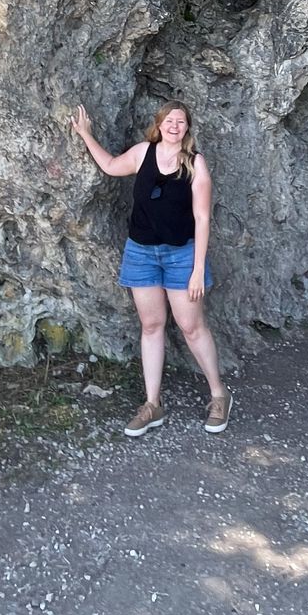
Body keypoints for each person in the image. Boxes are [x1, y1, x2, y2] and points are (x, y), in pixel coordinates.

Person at [70, 99, 231, 437]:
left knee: (191, 327)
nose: (175, 125)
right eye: (169, 120)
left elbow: (202, 218)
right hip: (141, 252)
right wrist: (86, 134)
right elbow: (112, 165)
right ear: (159, 125)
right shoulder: (143, 153)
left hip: (181, 255)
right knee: (151, 325)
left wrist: (198, 268)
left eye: (181, 121)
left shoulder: (195, 163)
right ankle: (152, 403)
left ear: (187, 128)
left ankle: (219, 395)